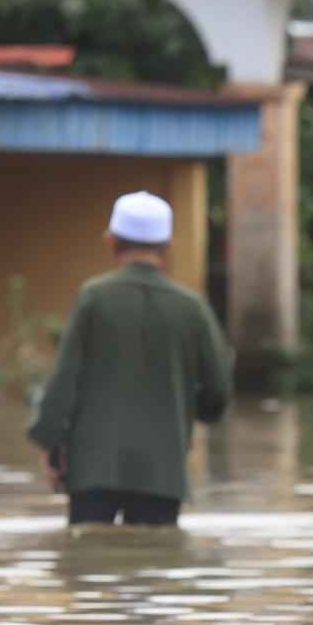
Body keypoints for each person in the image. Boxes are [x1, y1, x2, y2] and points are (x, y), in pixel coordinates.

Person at [27, 190, 233, 528]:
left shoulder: (93, 298)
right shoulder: (191, 308)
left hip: (93, 469)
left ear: (111, 240)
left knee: (90, 567)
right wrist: (186, 411)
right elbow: (218, 392)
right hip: (163, 472)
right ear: (167, 246)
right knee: (157, 570)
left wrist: (50, 444)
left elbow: (64, 381)